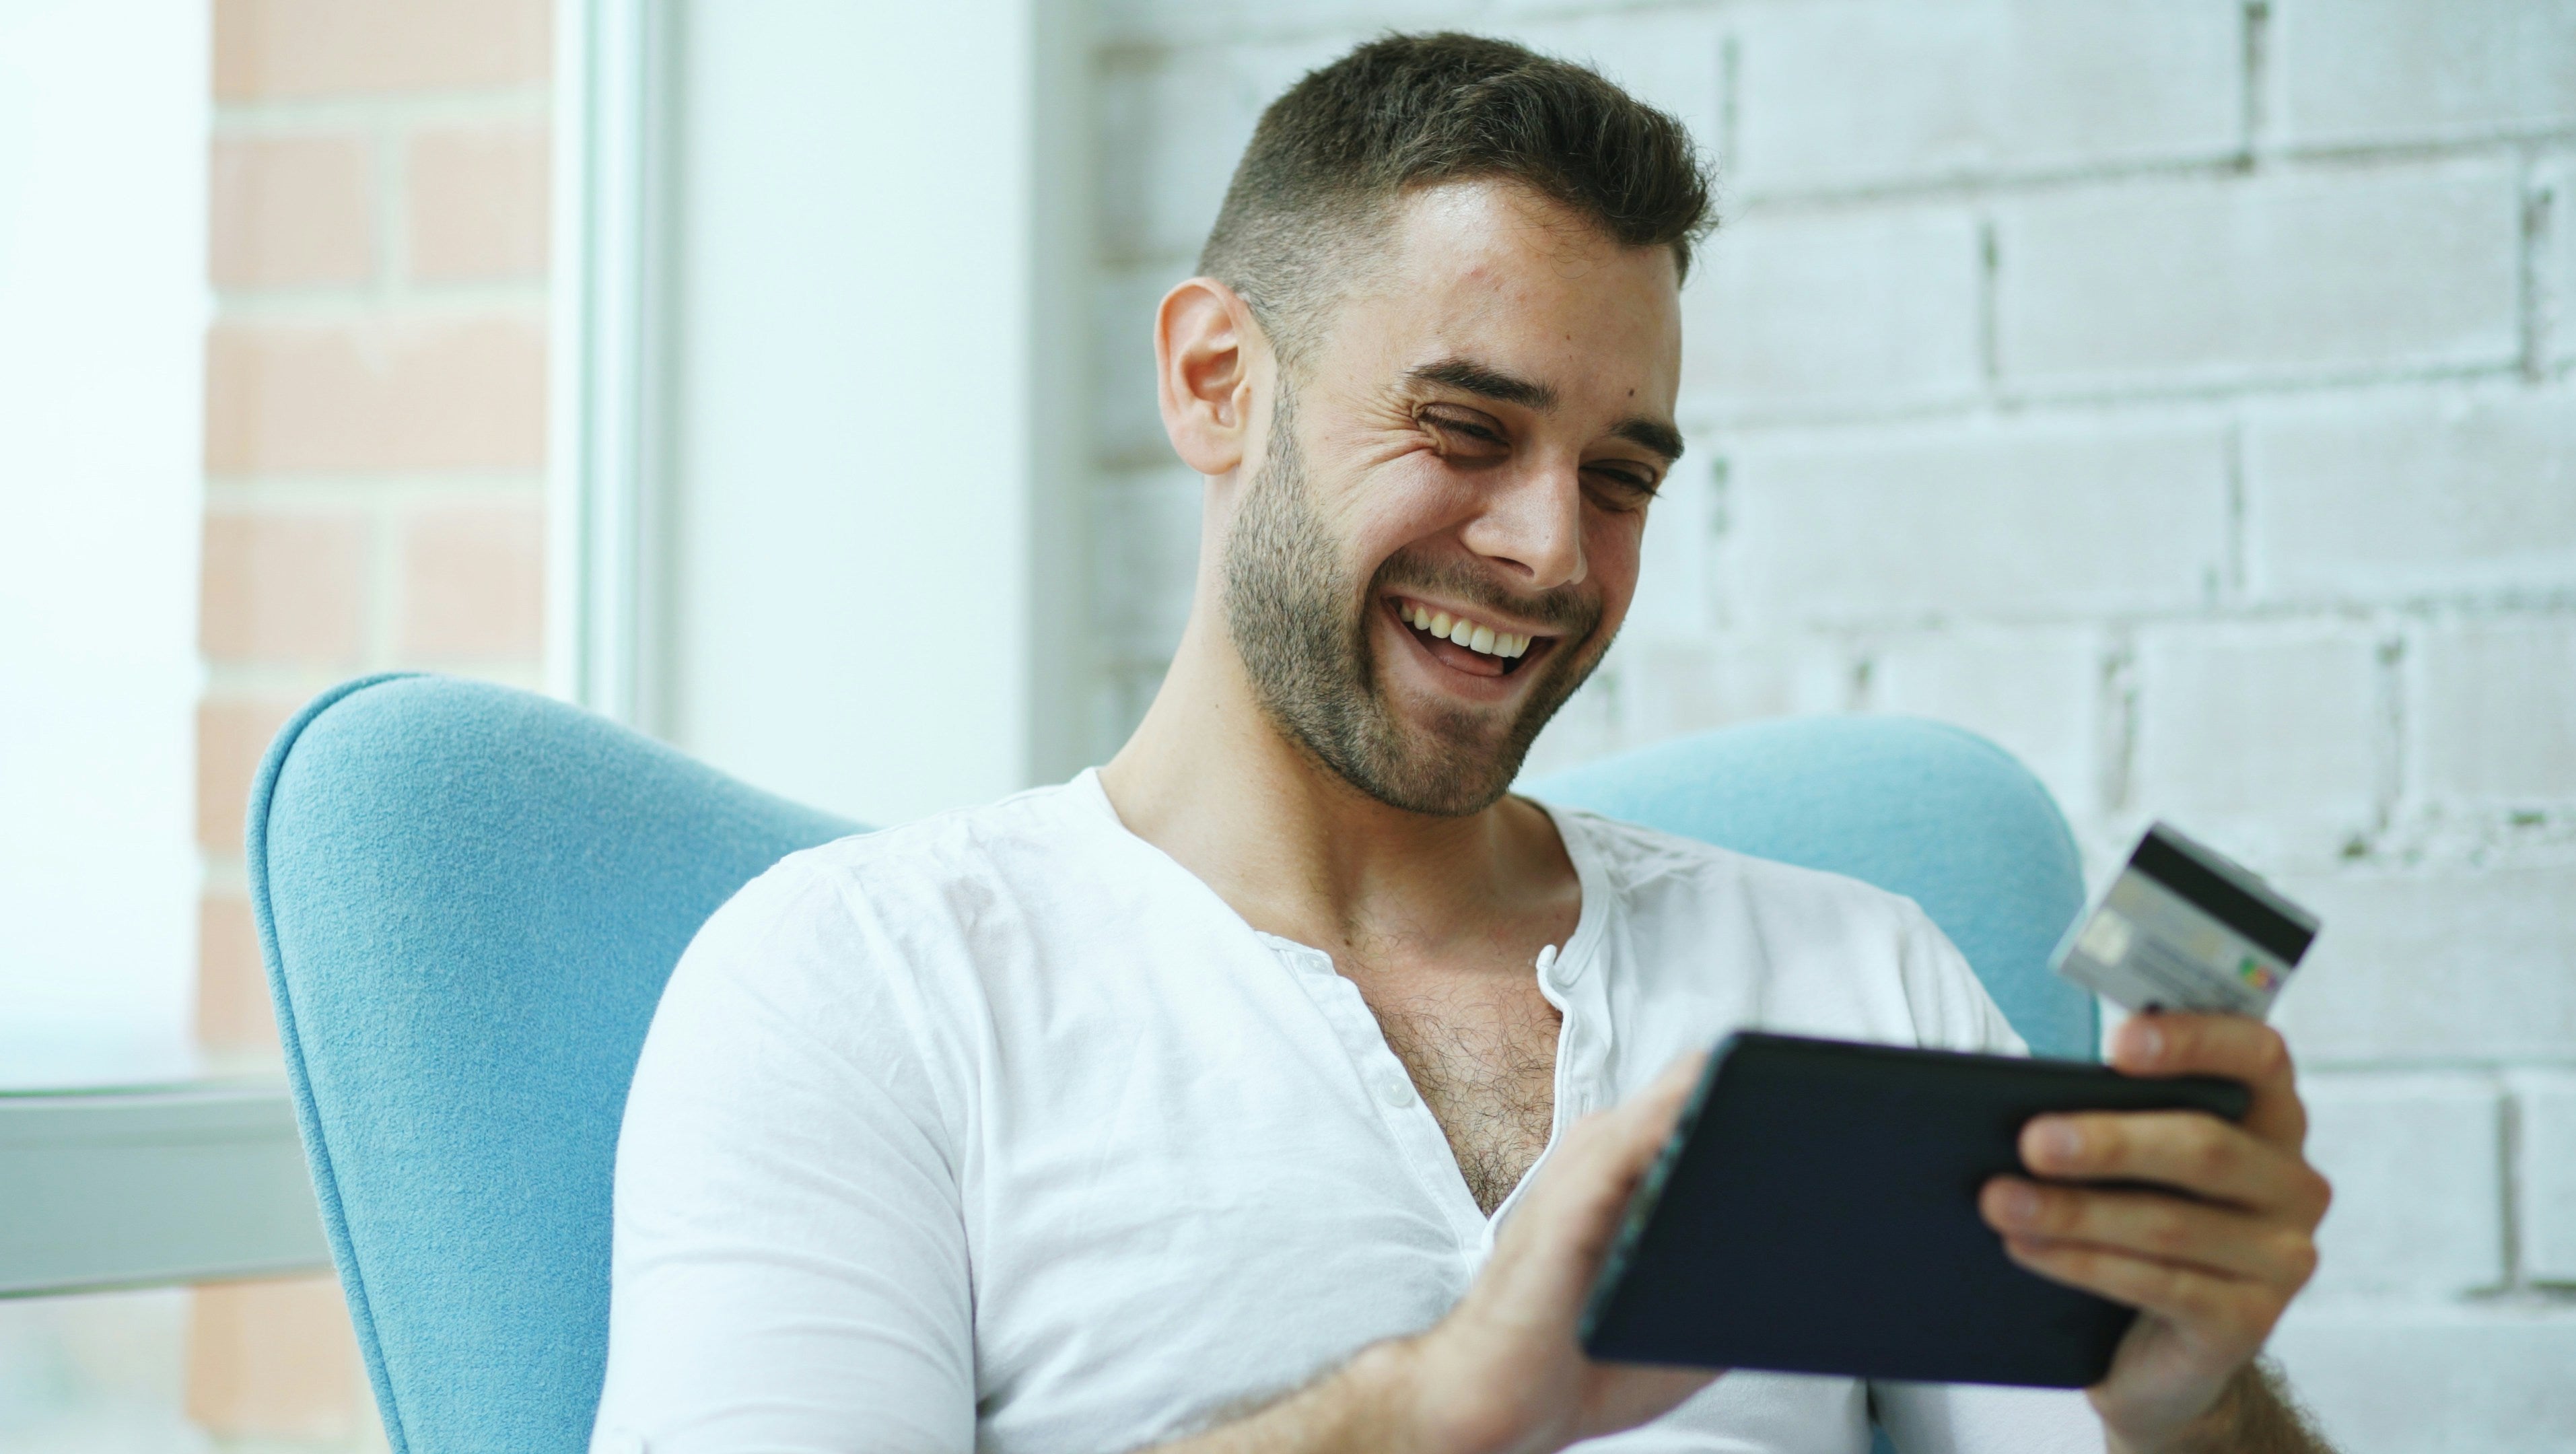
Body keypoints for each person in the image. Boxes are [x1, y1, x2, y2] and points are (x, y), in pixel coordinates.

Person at [590, 33, 2334, 1454]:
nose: (1553, 552)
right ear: (1215, 379)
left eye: (1622, 475)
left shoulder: (1846, 978)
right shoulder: (860, 989)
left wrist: (2184, 1413)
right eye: (1462, 428)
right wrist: (1425, 1412)